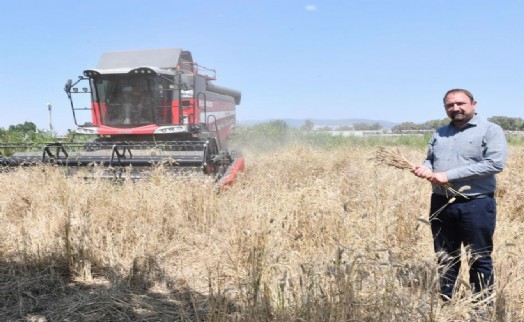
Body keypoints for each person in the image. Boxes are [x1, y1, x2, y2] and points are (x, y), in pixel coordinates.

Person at [412, 89, 507, 304]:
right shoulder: (439, 132)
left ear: (474, 104)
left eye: (460, 103)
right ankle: (446, 302)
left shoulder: (491, 130)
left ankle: (480, 309)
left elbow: (494, 164)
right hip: (441, 202)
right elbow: (430, 159)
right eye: (449, 105)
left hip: (476, 203)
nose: (455, 108)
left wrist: (449, 175)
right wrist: (425, 169)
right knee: (445, 256)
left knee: (479, 257)